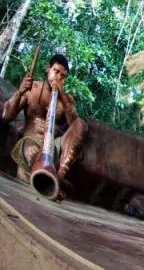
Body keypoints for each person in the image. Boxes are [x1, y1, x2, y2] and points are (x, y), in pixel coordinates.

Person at [3, 54, 87, 188]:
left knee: (81, 124)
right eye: (56, 71)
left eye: (63, 76)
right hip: (30, 141)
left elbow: (75, 126)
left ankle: (58, 177)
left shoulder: (67, 100)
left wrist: (62, 96)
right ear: (48, 69)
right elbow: (6, 116)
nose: (58, 77)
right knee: (32, 154)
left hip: (54, 146)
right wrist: (20, 91)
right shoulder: (33, 88)